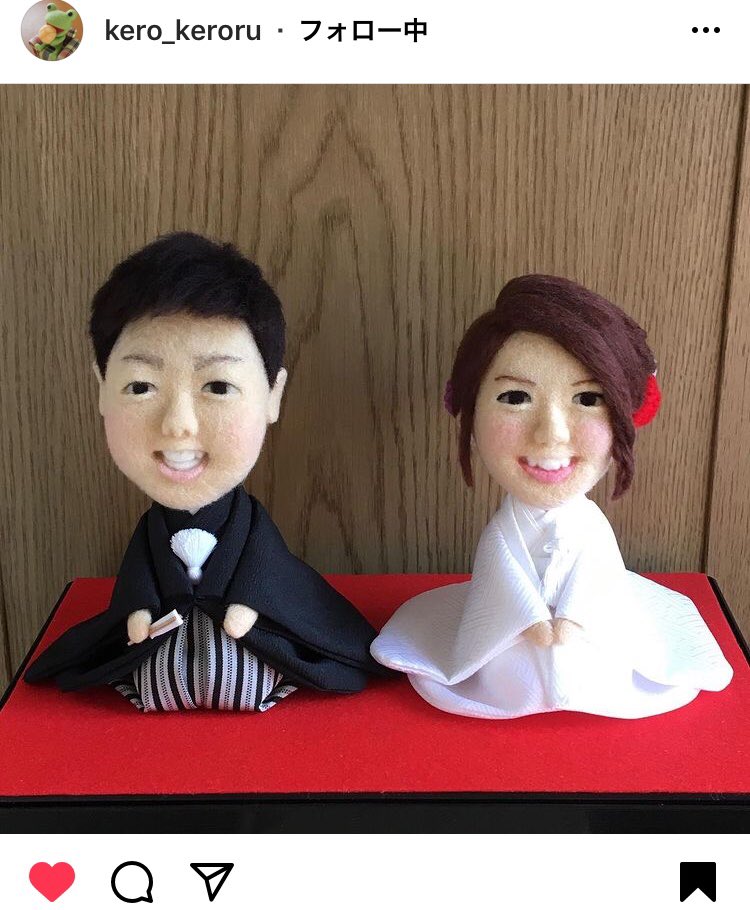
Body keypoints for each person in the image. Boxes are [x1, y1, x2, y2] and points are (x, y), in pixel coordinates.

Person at [26, 232, 384, 711]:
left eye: (217, 386)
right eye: (140, 386)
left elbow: (267, 567)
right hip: (159, 652)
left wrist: (249, 605)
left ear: (273, 395)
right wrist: (138, 611)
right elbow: (139, 575)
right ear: (102, 388)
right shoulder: (151, 533)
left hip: (248, 646)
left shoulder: (249, 528)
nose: (178, 425)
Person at [371, 275, 733, 719]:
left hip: (599, 648)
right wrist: (527, 619)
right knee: (508, 667)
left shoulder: (591, 530)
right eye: (515, 397)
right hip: (505, 653)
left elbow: (598, 571)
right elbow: (501, 571)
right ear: (469, 410)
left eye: (588, 398)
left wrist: (575, 617)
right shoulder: (502, 534)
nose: (552, 434)